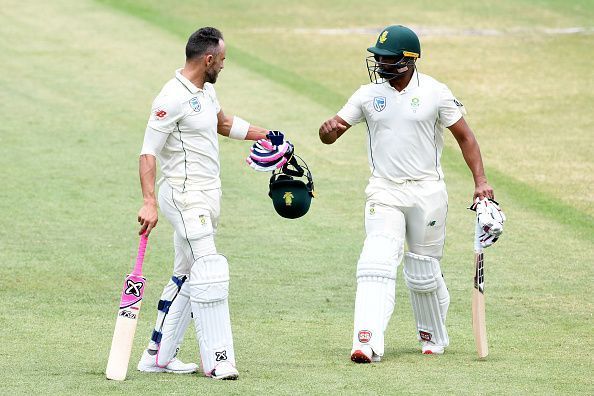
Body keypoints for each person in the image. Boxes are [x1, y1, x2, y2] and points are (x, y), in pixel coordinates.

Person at [318, 25, 494, 362]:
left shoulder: (436, 92)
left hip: (428, 192)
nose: (380, 64)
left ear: (409, 60)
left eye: (387, 58)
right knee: (376, 259)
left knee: (423, 270)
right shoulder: (367, 95)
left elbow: (466, 137)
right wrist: (328, 132)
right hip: (384, 190)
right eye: (378, 58)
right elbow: (332, 132)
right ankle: (366, 342)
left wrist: (480, 180)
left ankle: (432, 336)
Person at [136, 27, 270, 380]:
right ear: (208, 59)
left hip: (209, 195)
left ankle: (157, 355)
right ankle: (219, 360)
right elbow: (148, 151)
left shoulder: (207, 91)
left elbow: (223, 123)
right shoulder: (170, 98)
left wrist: (267, 136)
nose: (224, 66)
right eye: (222, 60)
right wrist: (149, 202)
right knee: (209, 268)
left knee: (186, 274)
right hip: (183, 196)